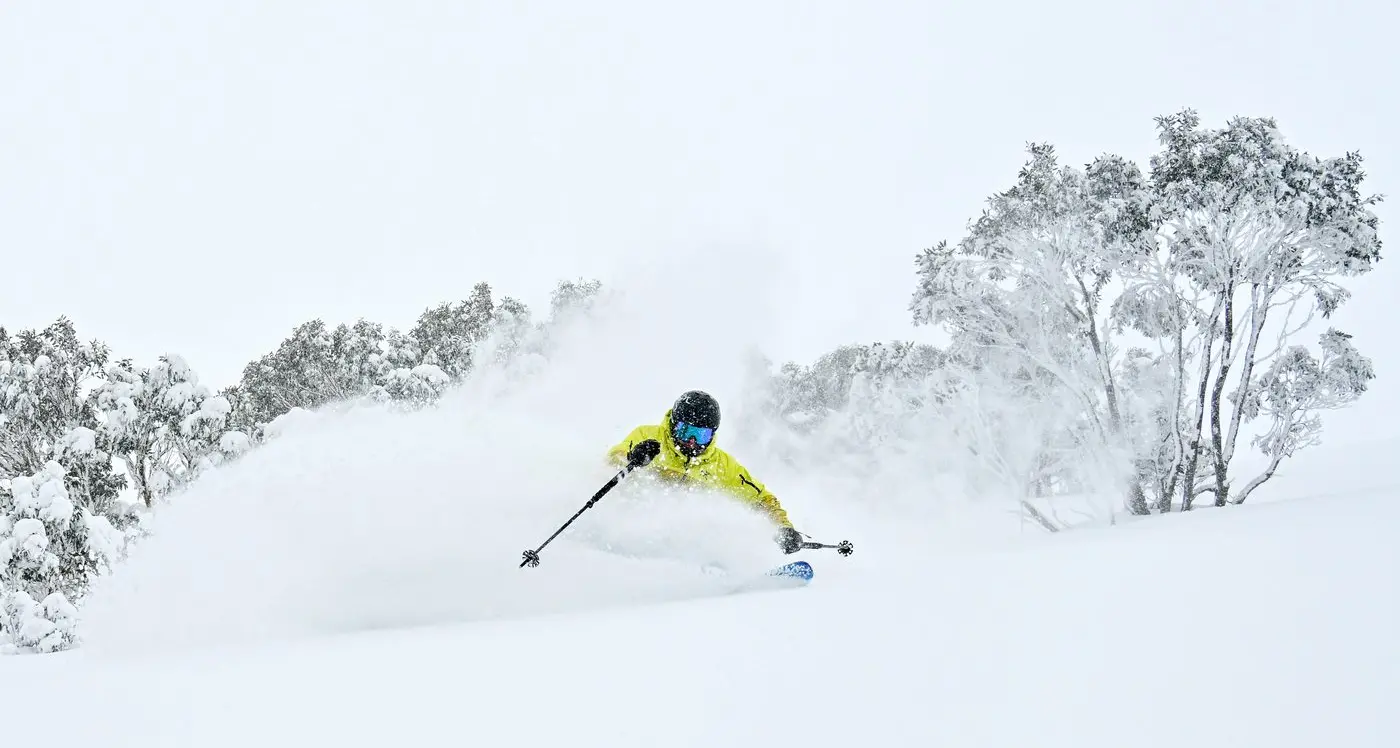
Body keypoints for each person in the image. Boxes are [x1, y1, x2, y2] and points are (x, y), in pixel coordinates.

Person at [606, 390, 806, 554]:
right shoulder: (648, 436)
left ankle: (716, 569)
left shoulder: (721, 464)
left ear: (712, 434)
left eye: (701, 435)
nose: (692, 442)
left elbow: (761, 498)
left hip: (682, 539)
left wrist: (783, 528)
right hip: (632, 523)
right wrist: (634, 455)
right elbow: (615, 457)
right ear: (674, 425)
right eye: (686, 432)